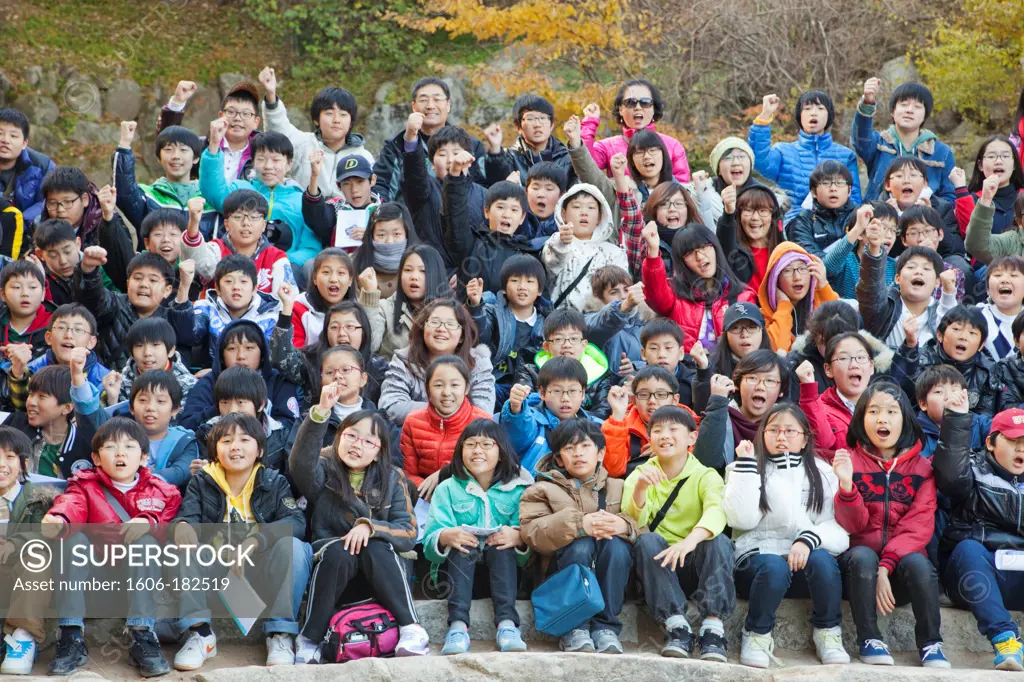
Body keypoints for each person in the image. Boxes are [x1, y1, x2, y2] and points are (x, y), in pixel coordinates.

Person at [42, 418, 182, 677]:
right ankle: (71, 635)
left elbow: (170, 525)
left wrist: (149, 522)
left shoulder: (163, 492)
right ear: (95, 458)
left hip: (139, 586)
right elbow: (72, 504)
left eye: (129, 447)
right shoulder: (84, 485)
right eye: (110, 447)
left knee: (147, 542)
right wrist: (59, 519)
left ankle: (142, 636)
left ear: (143, 457)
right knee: (73, 540)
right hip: (94, 584)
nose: (120, 453)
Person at [171, 413, 312, 669]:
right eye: (226, 441)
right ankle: (200, 635)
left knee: (294, 547)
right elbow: (185, 518)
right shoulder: (202, 482)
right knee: (181, 548)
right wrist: (182, 528)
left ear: (259, 450)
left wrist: (256, 540)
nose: (235, 446)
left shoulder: (274, 481)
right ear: (215, 449)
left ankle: (279, 634)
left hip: (260, 573)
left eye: (244, 440)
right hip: (216, 575)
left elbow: (296, 523)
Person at [289, 404, 429, 659]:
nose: (357, 444)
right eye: (351, 435)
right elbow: (299, 463)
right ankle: (310, 639)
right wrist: (319, 413)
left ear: (378, 453)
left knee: (375, 545)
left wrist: (370, 527)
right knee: (340, 550)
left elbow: (408, 533)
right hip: (334, 575)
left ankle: (411, 628)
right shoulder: (322, 471)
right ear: (338, 437)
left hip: (383, 580)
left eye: (368, 441)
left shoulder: (392, 478)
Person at [832, 382, 949, 668]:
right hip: (858, 574)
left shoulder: (922, 469)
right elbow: (852, 526)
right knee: (862, 556)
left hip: (899, 575)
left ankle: (931, 643)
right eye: (873, 411)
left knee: (921, 564)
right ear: (861, 419)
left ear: (905, 420)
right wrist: (846, 485)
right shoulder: (849, 461)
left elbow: (918, 526)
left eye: (891, 412)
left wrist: (886, 566)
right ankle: (869, 639)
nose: (882, 419)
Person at [723, 404, 850, 668]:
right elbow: (740, 520)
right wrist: (747, 467)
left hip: (803, 566)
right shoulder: (742, 466)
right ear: (762, 434)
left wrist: (807, 539)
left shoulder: (823, 472)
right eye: (774, 430)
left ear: (805, 438)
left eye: (790, 431)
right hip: (758, 565)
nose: (781, 437)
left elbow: (838, 529)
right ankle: (756, 634)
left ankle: (828, 633)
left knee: (824, 561)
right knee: (774, 565)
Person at [623, 406, 734, 661]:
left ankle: (713, 629)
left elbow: (717, 512)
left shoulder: (706, 475)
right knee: (646, 540)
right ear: (649, 438)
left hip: (696, 564)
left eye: (673, 429)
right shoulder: (641, 473)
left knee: (718, 541)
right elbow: (635, 520)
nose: (665, 436)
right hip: (660, 568)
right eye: (658, 430)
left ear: (691, 438)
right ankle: (677, 626)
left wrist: (689, 542)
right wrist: (640, 487)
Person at [519, 418, 638, 654]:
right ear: (558, 458)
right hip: (560, 570)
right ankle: (574, 627)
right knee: (581, 544)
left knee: (616, 545)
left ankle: (606, 627)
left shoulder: (618, 487)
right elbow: (532, 534)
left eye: (585, 446)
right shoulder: (540, 489)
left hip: (607, 570)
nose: (578, 454)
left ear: (601, 453)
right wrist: (579, 524)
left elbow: (642, 526)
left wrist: (623, 526)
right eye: (569, 449)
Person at [422, 418, 533, 655]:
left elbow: (528, 545)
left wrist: (517, 537)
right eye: (470, 444)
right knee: (463, 547)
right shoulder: (447, 489)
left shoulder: (519, 490)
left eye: (486, 444)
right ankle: (457, 628)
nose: (477, 450)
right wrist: (445, 536)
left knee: (501, 547)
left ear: (501, 452)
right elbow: (429, 545)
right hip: (455, 579)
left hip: (504, 580)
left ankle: (507, 625)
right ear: (460, 450)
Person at [934, 402, 1024, 671]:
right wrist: (958, 420)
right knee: (968, 549)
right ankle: (1005, 640)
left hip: (1018, 578)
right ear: (990, 443)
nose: (1021, 448)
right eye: (1012, 440)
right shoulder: (972, 470)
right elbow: (949, 476)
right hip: (975, 577)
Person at [199, 123, 318, 276]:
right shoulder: (240, 190)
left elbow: (310, 248)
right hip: (238, 269)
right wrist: (214, 145)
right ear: (253, 162)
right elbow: (213, 191)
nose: (268, 166)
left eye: (276, 160)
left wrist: (279, 261)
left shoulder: (302, 201)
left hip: (286, 270)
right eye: (261, 159)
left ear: (289, 164)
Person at [71, 350, 197, 490]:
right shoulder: (115, 434)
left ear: (175, 409)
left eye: (160, 401)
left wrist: (138, 482)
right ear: (131, 407)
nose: (150, 407)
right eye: (143, 400)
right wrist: (77, 376)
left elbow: (180, 471)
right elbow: (91, 414)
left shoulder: (185, 440)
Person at [259, 66, 373, 200]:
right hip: (303, 216)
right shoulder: (303, 144)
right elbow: (278, 131)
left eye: (343, 115)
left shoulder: (363, 156)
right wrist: (271, 95)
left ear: (351, 121)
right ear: (316, 120)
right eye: (329, 114)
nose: (336, 120)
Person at [73, 248, 195, 371]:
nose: (144, 284)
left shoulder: (172, 317)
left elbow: (187, 336)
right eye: (137, 278)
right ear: (127, 284)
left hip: (157, 387)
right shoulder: (114, 303)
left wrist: (184, 286)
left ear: (167, 290)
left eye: (153, 280)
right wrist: (89, 271)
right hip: (108, 384)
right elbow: (93, 297)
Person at [749, 91, 862, 222]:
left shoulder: (845, 155)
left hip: (836, 228)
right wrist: (765, 115)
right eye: (807, 109)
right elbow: (759, 160)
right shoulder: (784, 151)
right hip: (793, 225)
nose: (813, 113)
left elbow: (854, 200)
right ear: (800, 116)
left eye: (820, 108)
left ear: (829, 116)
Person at [378, 299, 494, 426]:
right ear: (423, 328)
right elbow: (390, 407)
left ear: (461, 336)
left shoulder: (478, 363)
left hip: (462, 439)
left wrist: (441, 413)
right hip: (415, 436)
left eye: (450, 324)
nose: (441, 329)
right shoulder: (404, 359)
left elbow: (483, 413)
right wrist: (444, 411)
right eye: (434, 322)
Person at [0, 427, 59, 675]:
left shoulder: (39, 500)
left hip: (19, 582)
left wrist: (16, 542)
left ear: (24, 463)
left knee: (38, 557)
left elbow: (51, 536)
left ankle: (23, 637)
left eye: (9, 457)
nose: (1, 464)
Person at [178, 318, 301, 435]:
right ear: (221, 356)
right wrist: (223, 407)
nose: (241, 356)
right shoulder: (209, 382)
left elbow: (290, 425)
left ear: (262, 353)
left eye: (249, 348)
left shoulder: (278, 381)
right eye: (231, 348)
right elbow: (187, 425)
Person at [372, 77, 487, 203]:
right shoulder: (395, 146)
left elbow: (483, 188)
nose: (430, 106)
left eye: (437, 99)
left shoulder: (471, 145)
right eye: (423, 100)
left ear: (448, 105)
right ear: (414, 106)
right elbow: (381, 187)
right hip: (408, 219)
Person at [642, 223, 754, 351]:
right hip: (686, 365)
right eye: (689, 253)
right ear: (681, 262)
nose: (700, 257)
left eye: (704, 247)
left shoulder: (744, 296)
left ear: (716, 248)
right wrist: (653, 252)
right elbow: (655, 295)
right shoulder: (674, 293)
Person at [400, 355, 493, 497]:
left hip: (469, 495)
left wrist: (445, 473)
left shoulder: (482, 421)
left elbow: (485, 472)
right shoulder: (413, 421)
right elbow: (409, 473)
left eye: (455, 385)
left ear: (466, 388)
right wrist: (434, 495)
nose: (446, 393)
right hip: (427, 496)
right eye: (438, 385)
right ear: (427, 388)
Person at [851, 78, 956, 202]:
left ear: (924, 116)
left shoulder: (941, 152)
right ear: (892, 111)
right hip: (881, 216)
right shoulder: (879, 143)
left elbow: (950, 197)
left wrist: (929, 207)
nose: (909, 110)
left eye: (917, 106)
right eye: (904, 104)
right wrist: (867, 103)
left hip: (925, 219)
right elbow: (859, 139)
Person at [443, 158, 538, 293]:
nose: (506, 214)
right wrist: (455, 176)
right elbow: (455, 214)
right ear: (486, 212)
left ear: (522, 218)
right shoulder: (471, 244)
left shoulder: (527, 255)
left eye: (514, 210)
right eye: (500, 207)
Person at [271, 300, 388, 409]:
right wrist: (286, 311)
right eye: (334, 327)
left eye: (349, 327)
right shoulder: (310, 360)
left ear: (364, 331)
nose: (341, 333)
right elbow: (281, 359)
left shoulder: (378, 368)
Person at [113, 121, 219, 240]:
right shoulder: (149, 196)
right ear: (159, 158)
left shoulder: (209, 198)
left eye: (183, 150)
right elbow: (125, 193)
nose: (175, 156)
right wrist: (124, 144)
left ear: (196, 158)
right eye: (168, 149)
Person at [401, 120, 487, 269]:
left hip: (472, 277)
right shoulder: (424, 190)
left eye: (456, 153)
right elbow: (414, 174)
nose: (450, 160)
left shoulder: (484, 194)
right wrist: (411, 139)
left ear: (470, 160)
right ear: (432, 165)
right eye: (442, 154)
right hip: (432, 274)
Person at [893, 305, 1003, 417]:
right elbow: (901, 389)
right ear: (940, 335)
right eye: (956, 329)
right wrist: (910, 344)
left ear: (981, 344)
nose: (963, 337)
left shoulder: (987, 371)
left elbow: (985, 420)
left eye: (972, 333)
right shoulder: (921, 359)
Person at [181, 190, 295, 297]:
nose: (246, 223)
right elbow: (200, 265)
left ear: (264, 225)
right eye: (238, 217)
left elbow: (287, 300)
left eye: (254, 217)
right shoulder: (216, 249)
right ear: (226, 225)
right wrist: (194, 223)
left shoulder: (276, 258)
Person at [469, 255, 550, 405]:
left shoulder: (548, 321)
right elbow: (480, 337)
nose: (522, 286)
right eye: (515, 280)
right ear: (504, 288)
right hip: (495, 382)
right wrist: (475, 306)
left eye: (530, 281)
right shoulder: (493, 311)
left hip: (529, 389)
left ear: (539, 290)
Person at [501, 356, 602, 473]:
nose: (565, 398)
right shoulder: (532, 422)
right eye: (557, 391)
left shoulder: (597, 426)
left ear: (583, 393)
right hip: (534, 488)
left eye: (572, 391)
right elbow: (518, 429)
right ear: (542, 393)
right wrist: (515, 407)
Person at [39, 170, 135, 290]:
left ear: (84, 199)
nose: (60, 210)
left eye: (67, 202)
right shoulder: (40, 227)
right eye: (53, 203)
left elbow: (126, 266)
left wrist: (109, 220)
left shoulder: (106, 221)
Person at [6, 304, 112, 411]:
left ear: (91, 342)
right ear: (49, 337)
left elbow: (97, 420)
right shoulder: (34, 369)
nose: (68, 335)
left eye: (78, 329)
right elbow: (23, 411)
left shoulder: (103, 378)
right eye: (61, 327)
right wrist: (18, 373)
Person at [580, 79, 690, 182]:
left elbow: (682, 190)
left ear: (654, 109)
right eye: (631, 102)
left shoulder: (672, 146)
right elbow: (584, 168)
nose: (638, 107)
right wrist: (589, 123)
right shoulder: (607, 147)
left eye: (645, 102)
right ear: (621, 110)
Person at [541, 183, 627, 312]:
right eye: (576, 207)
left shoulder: (614, 253)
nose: (584, 213)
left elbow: (620, 292)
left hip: (599, 321)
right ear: (563, 214)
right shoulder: (555, 243)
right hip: (562, 322)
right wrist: (561, 242)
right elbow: (551, 265)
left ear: (599, 216)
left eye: (591, 208)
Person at [858, 242, 958, 350]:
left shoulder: (941, 310)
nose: (918, 271)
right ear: (897, 278)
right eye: (911, 267)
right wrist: (874, 249)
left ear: (937, 282)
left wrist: (949, 293)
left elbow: (951, 337)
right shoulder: (886, 305)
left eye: (926, 269)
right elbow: (870, 288)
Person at [158, 80, 262, 183]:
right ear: (221, 116)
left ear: (256, 122)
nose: (238, 118)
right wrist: (177, 103)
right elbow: (167, 140)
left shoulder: (261, 154)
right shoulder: (201, 147)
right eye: (231, 112)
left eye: (246, 114)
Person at [603, 366, 697, 478]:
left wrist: (668, 451)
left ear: (675, 400)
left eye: (661, 395)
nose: (652, 401)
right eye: (643, 395)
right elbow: (613, 471)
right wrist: (618, 414)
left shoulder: (691, 425)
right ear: (634, 401)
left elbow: (696, 466)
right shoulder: (619, 426)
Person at [359, 243, 449, 360]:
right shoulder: (384, 308)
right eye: (408, 270)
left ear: (436, 274)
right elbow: (368, 347)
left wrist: (474, 305)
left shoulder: (450, 311)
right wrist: (370, 295)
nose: (414, 276)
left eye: (423, 271)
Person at [187, 255, 282, 366]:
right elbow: (190, 336)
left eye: (243, 281)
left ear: (254, 289)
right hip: (214, 379)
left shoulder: (270, 315)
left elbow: (274, 360)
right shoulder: (206, 307)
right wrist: (184, 287)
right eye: (229, 281)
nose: (236, 287)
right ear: (217, 288)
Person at [5, 366, 94, 478]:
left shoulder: (85, 445)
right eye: (31, 394)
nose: (31, 402)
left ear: (67, 408)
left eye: (42, 396)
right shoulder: (15, 425)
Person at [812, 333, 885, 460]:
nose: (854, 365)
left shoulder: (888, 407)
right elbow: (821, 449)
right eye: (844, 358)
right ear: (828, 369)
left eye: (861, 357)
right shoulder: (819, 409)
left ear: (871, 366)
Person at [757, 242, 838, 353]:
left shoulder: (821, 303)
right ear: (774, 279)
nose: (797, 277)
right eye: (788, 270)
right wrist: (784, 307)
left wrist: (823, 286)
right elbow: (778, 351)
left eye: (802, 269)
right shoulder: (762, 318)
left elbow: (839, 332)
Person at [486, 94, 575, 187]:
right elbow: (494, 188)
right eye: (530, 118)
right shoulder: (509, 158)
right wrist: (495, 149)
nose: (537, 124)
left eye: (543, 118)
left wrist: (576, 143)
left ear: (551, 125)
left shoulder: (567, 158)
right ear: (518, 127)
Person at [821, 202, 899, 300]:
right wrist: (858, 228)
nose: (889, 235)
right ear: (861, 234)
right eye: (883, 227)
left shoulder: (894, 267)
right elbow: (827, 268)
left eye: (893, 230)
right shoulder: (846, 260)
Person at [716, 183, 783, 293]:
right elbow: (725, 240)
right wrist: (728, 213)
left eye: (763, 211)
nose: (755, 218)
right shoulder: (734, 254)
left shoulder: (785, 253)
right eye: (748, 210)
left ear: (773, 216)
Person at [952, 135, 1024, 236]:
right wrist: (960, 189)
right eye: (991, 156)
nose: (999, 161)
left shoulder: (1022, 196)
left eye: (1005, 156)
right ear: (980, 165)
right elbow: (971, 237)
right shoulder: (972, 200)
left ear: (1014, 165)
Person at [284, 249, 356, 348]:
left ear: (350, 280)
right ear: (314, 279)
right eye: (326, 272)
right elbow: (293, 355)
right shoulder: (297, 309)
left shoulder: (357, 312)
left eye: (341, 273)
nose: (333, 279)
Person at [784, 161, 858, 258]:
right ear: (813, 192)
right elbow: (811, 259)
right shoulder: (802, 223)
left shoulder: (861, 216)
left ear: (849, 190)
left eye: (839, 183)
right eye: (826, 183)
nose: (833, 188)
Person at [785, 300, 862, 394]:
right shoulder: (796, 365)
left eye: (840, 344)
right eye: (827, 344)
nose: (834, 351)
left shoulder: (867, 360)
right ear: (815, 335)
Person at [118, 317, 197, 404]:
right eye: (139, 345)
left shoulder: (188, 384)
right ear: (131, 353)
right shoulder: (120, 383)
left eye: (155, 345)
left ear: (171, 350)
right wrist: (112, 398)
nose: (147, 353)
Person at [351, 202, 417, 300]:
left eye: (397, 234)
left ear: (407, 234)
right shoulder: (354, 262)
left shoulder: (421, 262)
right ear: (371, 235)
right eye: (381, 235)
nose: (389, 242)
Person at [0, 107, 54, 223]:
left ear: (24, 143)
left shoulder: (42, 166)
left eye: (13, 136)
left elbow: (50, 201)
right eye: (0, 133)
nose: (5, 140)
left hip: (27, 232)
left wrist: (19, 221)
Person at [976, 256, 1024, 360]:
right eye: (998, 275)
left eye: (1013, 275)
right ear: (988, 289)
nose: (1005, 280)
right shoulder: (976, 315)